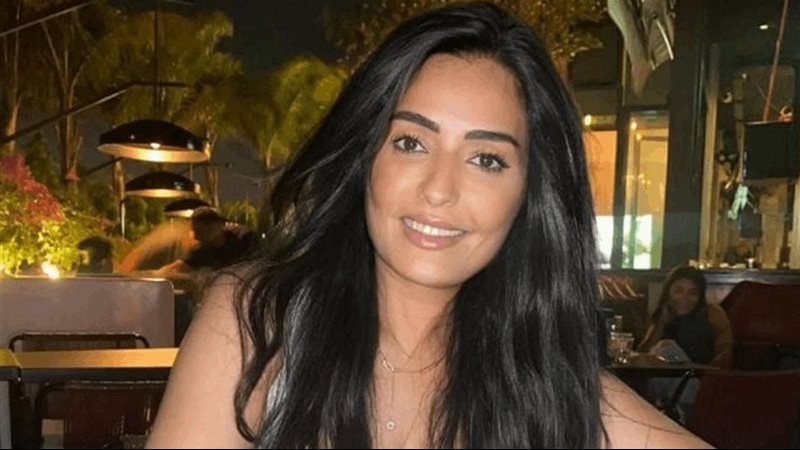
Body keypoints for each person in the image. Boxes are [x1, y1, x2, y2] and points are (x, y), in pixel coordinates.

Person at [147, 4, 710, 448]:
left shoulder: (541, 382)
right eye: (411, 143)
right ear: (365, 157)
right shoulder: (258, 321)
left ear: (529, 195)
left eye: (486, 159)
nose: (439, 189)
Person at [639, 266, 733, 368]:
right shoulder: (664, 314)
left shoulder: (713, 314)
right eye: (678, 291)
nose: (684, 298)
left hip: (702, 373)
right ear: (668, 292)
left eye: (692, 293)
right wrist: (661, 322)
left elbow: (725, 354)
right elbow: (643, 354)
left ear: (700, 297)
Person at [154, 207, 259, 276]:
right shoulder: (203, 249)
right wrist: (158, 273)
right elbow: (181, 264)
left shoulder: (243, 241)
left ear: (214, 226)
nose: (196, 236)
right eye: (195, 231)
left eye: (199, 231)